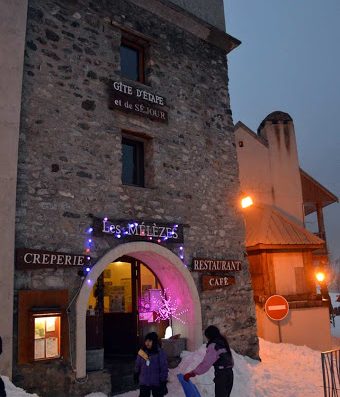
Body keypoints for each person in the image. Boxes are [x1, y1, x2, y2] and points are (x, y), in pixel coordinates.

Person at [184, 326, 234, 397]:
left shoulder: (213, 346)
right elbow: (230, 360)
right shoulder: (222, 342)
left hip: (222, 375)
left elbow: (206, 364)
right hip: (230, 374)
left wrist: (192, 373)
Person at [134, 332, 168, 397]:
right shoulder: (142, 352)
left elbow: (164, 367)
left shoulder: (159, 353)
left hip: (156, 382)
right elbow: (137, 364)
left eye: (149, 341)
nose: (147, 343)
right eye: (146, 341)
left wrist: (163, 381)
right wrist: (136, 373)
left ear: (154, 342)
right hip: (144, 381)